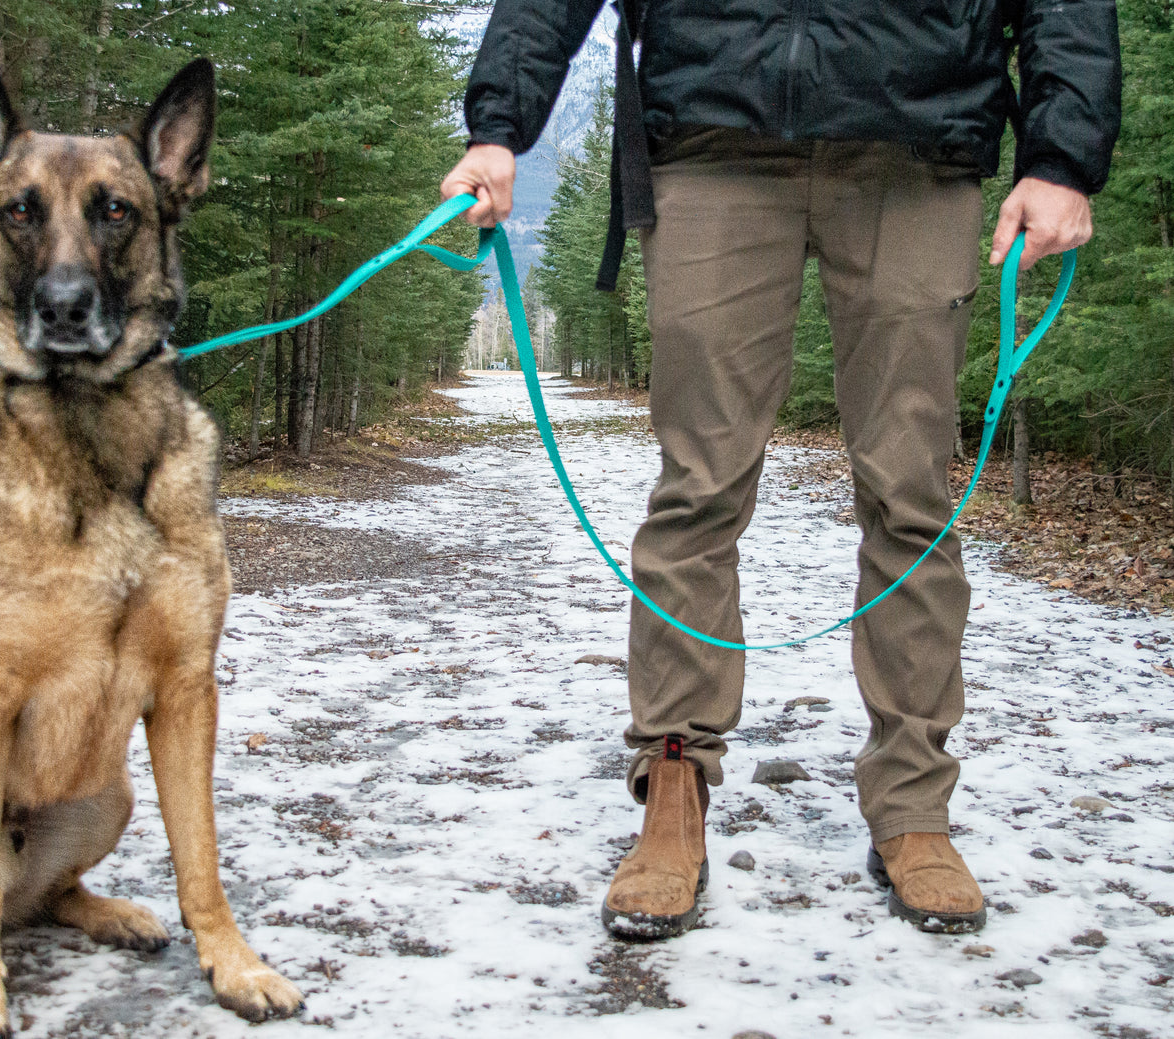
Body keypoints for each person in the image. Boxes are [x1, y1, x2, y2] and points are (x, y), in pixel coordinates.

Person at [442, 0, 1120, 938]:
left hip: (917, 142)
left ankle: (913, 807)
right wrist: (498, 126)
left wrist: (1060, 155)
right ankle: (671, 787)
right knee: (698, 486)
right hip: (710, 137)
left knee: (912, 493)